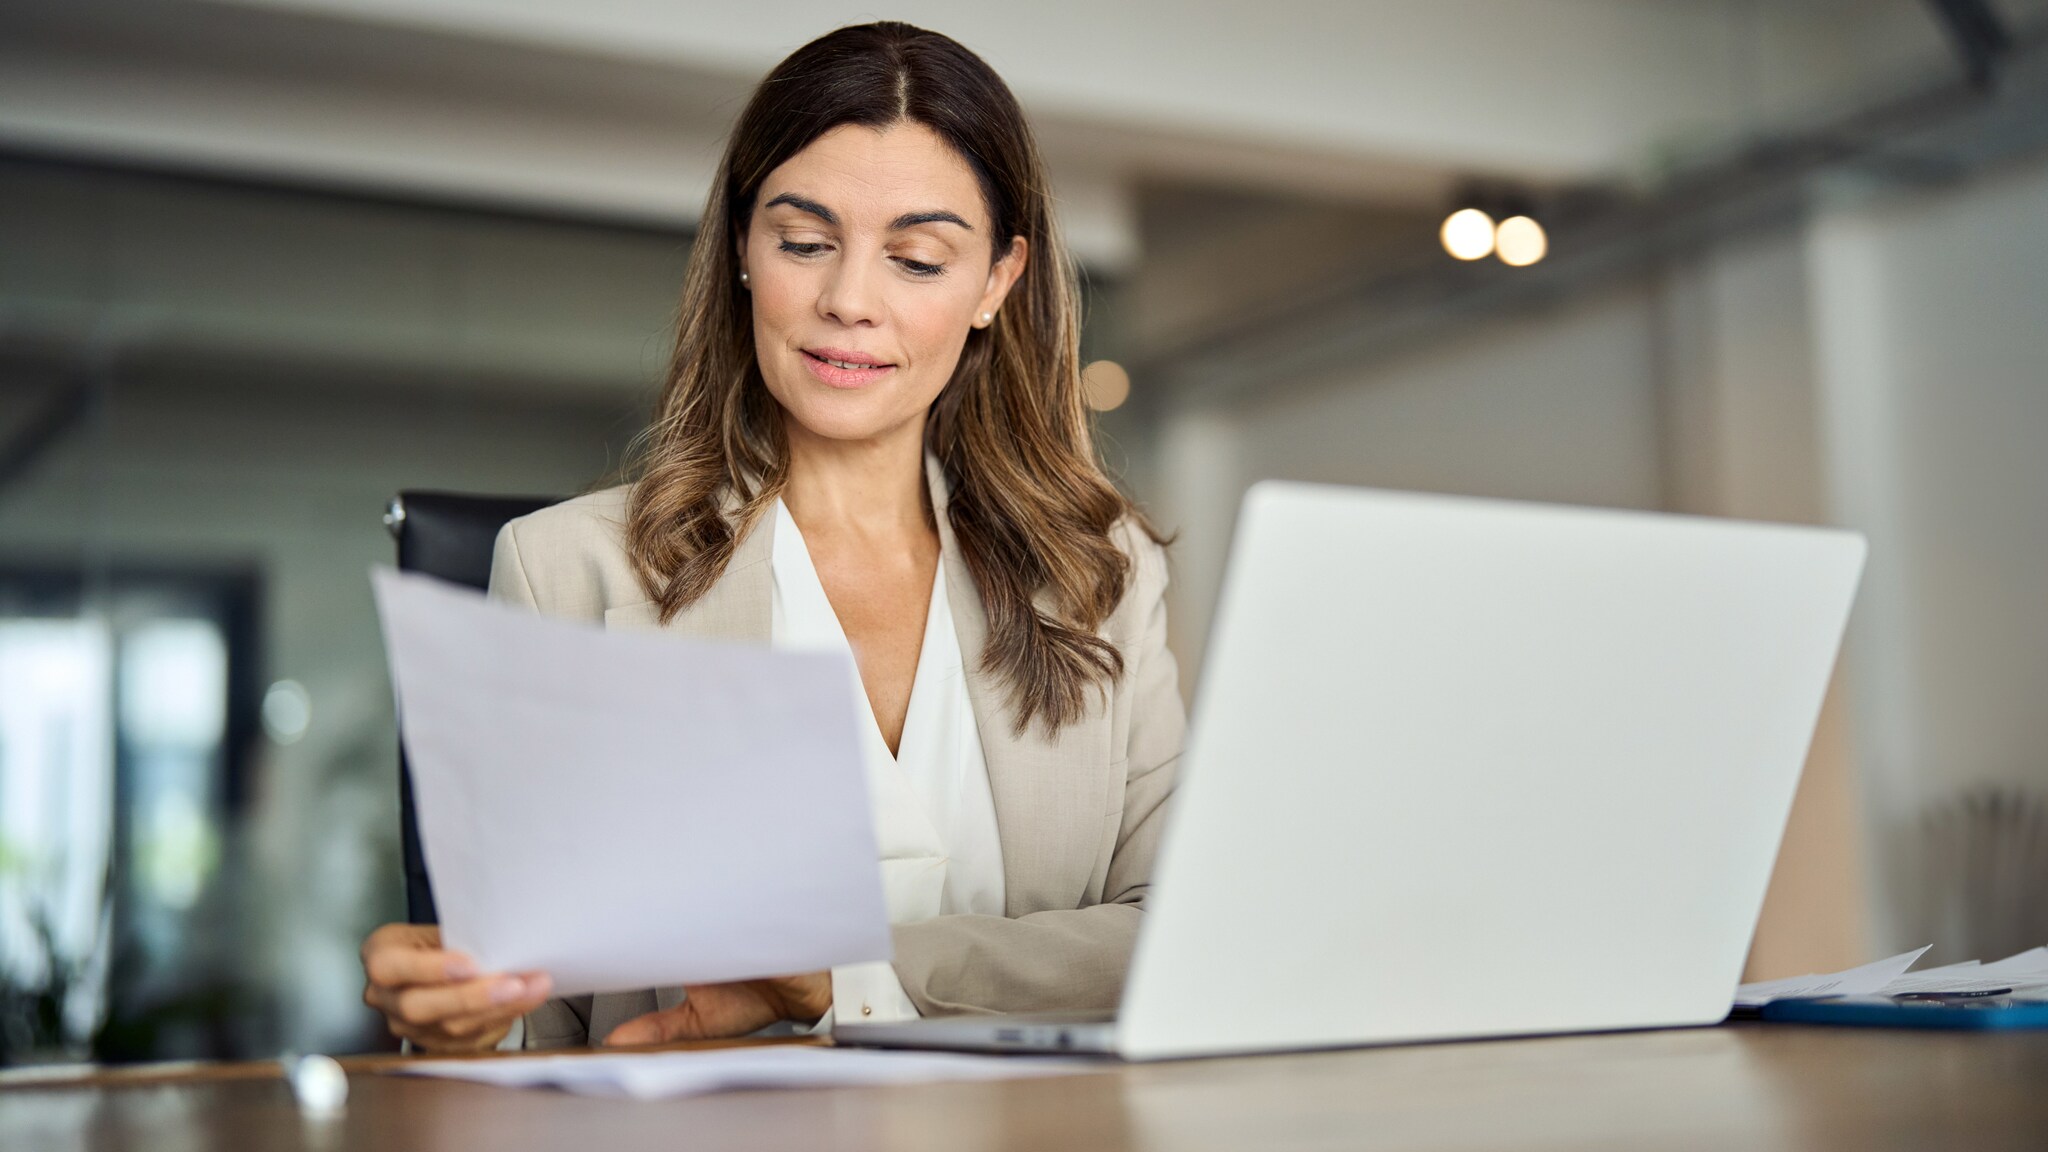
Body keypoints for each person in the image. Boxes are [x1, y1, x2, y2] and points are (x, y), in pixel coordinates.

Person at [359, 20, 1183, 1053]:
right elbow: (537, 1029)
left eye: (917, 259)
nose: (847, 301)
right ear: (743, 252)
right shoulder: (568, 568)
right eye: (803, 243)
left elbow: (1170, 943)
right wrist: (454, 1027)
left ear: (996, 285)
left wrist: (845, 976)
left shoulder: (1100, 574)